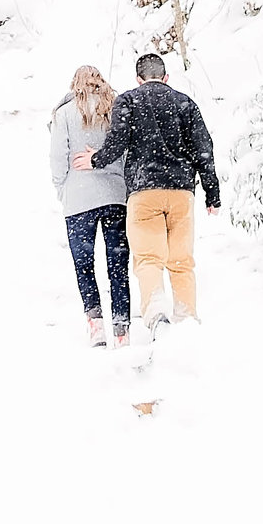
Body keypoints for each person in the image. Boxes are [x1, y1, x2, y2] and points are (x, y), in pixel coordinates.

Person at [77, 52, 219, 330]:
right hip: (181, 192)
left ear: (138, 79)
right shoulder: (184, 103)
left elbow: (116, 143)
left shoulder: (128, 100)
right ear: (166, 78)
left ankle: (156, 315)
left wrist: (95, 159)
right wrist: (212, 194)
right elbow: (204, 150)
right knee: (181, 261)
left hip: (144, 193)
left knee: (148, 259)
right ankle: (186, 316)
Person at [49, 65, 132, 348]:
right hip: (114, 196)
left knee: (84, 264)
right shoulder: (115, 107)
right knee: (117, 263)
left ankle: (95, 324)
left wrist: (63, 189)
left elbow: (58, 157)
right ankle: (122, 328)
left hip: (78, 199)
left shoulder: (64, 113)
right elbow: (124, 150)